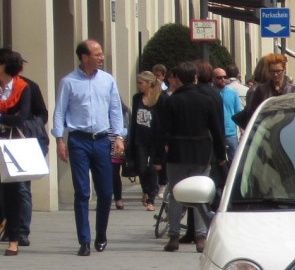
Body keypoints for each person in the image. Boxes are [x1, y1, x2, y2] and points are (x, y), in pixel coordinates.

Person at [51, 38, 127, 256]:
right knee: (82, 191)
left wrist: (119, 137)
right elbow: (59, 111)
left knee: (105, 191)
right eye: (97, 54)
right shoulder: (69, 82)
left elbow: (115, 109)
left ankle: (101, 233)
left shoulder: (107, 80)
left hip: (102, 140)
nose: (101, 57)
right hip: (79, 140)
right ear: (84, 58)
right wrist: (59, 139)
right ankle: (84, 240)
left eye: (101, 53)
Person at [153, 61, 225, 253]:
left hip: (177, 152)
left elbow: (163, 131)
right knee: (200, 196)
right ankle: (201, 237)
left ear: (179, 79)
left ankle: (174, 236)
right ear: (194, 78)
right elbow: (216, 130)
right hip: (201, 152)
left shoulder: (172, 101)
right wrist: (221, 154)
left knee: (176, 193)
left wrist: (159, 157)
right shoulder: (206, 100)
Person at [0, 49, 34, 257]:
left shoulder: (23, 88)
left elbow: (21, 119)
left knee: (12, 193)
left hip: (11, 145)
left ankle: (14, 239)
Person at [125, 70, 164, 211]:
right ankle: (146, 190)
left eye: (141, 83)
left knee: (152, 168)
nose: (139, 86)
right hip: (139, 138)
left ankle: (151, 198)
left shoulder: (159, 98)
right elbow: (133, 121)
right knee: (141, 168)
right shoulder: (137, 98)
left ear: (149, 83)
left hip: (154, 139)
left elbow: (161, 122)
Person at [242, 53, 295, 121]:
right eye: (272, 71)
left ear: (284, 70)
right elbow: (253, 114)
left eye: (278, 71)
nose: (275, 74)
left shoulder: (293, 90)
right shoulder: (261, 90)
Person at [212, 66, 242, 162]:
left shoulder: (233, 93)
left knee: (234, 162)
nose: (223, 79)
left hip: (231, 133)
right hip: (215, 133)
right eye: (219, 77)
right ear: (213, 78)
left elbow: (238, 112)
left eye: (225, 77)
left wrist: (242, 130)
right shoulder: (210, 93)